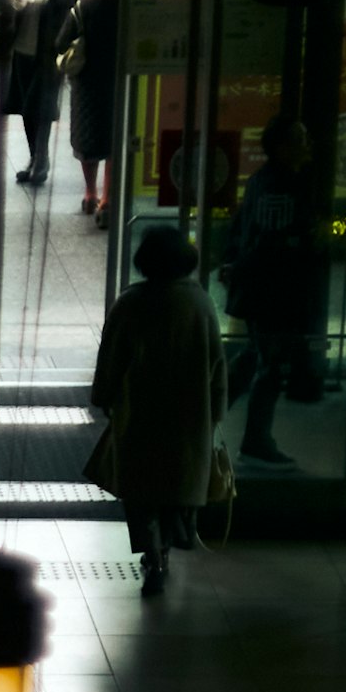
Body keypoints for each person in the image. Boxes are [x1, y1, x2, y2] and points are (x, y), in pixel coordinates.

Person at [88, 225, 225, 598]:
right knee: (176, 484)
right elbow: (216, 363)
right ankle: (170, 545)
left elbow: (111, 359)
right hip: (189, 415)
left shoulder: (131, 303)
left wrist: (103, 396)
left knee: (142, 489)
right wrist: (216, 410)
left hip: (141, 413)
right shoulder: (200, 304)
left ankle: (154, 556)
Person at [218, 119, 323, 465]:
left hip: (261, 287)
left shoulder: (262, 181)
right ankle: (255, 437)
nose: (306, 143)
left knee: (256, 355)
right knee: (271, 364)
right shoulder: (283, 187)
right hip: (274, 290)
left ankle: (214, 417)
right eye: (300, 138)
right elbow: (272, 242)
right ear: (281, 146)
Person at [0, 0, 79, 189]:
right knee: (25, 105)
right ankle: (34, 158)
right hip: (22, 42)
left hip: (50, 43)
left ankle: (41, 160)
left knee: (41, 104)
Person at [67, 0, 126, 226]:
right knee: (115, 141)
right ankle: (108, 199)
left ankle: (90, 195)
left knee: (89, 142)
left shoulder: (84, 6)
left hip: (87, 85)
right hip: (119, 83)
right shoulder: (129, 7)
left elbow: (60, 42)